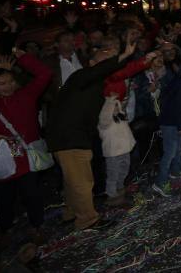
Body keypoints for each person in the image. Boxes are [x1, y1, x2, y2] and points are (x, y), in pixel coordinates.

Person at [46, 42, 136, 231]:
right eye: (106, 54)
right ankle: (87, 219)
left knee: (73, 179)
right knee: (82, 180)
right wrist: (123, 55)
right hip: (68, 137)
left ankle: (72, 212)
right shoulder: (81, 76)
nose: (111, 56)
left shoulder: (94, 83)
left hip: (72, 136)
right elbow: (103, 70)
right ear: (93, 62)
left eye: (113, 53)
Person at [0, 50, 52, 248]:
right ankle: (5, 230)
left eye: (10, 81)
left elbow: (45, 74)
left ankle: (36, 227)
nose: (7, 86)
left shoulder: (26, 95)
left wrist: (23, 57)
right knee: (4, 199)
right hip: (4, 160)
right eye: (1, 83)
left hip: (27, 158)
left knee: (32, 195)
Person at [99, 51, 156, 206]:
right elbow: (104, 122)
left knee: (123, 169)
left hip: (124, 146)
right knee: (113, 172)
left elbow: (123, 118)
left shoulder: (117, 104)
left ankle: (120, 190)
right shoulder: (104, 106)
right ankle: (112, 195)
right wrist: (111, 103)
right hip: (113, 149)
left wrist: (119, 104)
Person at [153, 62, 181, 197]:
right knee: (170, 152)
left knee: (178, 148)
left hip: (174, 122)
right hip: (171, 123)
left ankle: (176, 171)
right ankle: (160, 183)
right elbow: (178, 107)